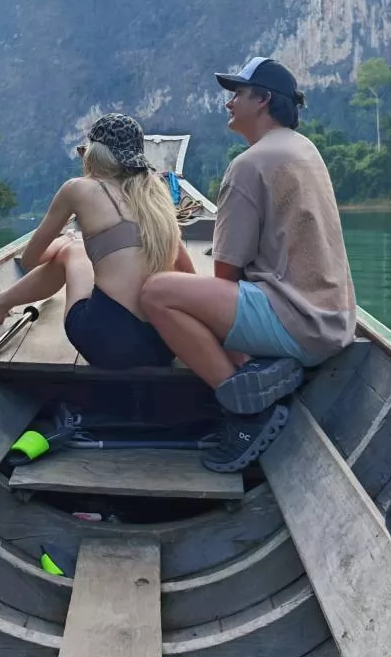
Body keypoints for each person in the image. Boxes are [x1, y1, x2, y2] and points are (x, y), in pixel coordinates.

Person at [140, 57, 357, 472]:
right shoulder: (302, 148)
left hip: (300, 321)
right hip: (334, 319)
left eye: (237, 94)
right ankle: (258, 374)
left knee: (157, 293)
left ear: (263, 100)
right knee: (195, 295)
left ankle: (245, 410)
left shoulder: (249, 165)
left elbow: (225, 275)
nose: (229, 103)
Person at [0, 112, 196, 370]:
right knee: (78, 249)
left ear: (93, 153)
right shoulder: (155, 193)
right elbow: (186, 271)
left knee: (73, 250)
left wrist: (64, 244)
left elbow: (30, 260)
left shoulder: (78, 188)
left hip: (107, 344)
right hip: (164, 344)